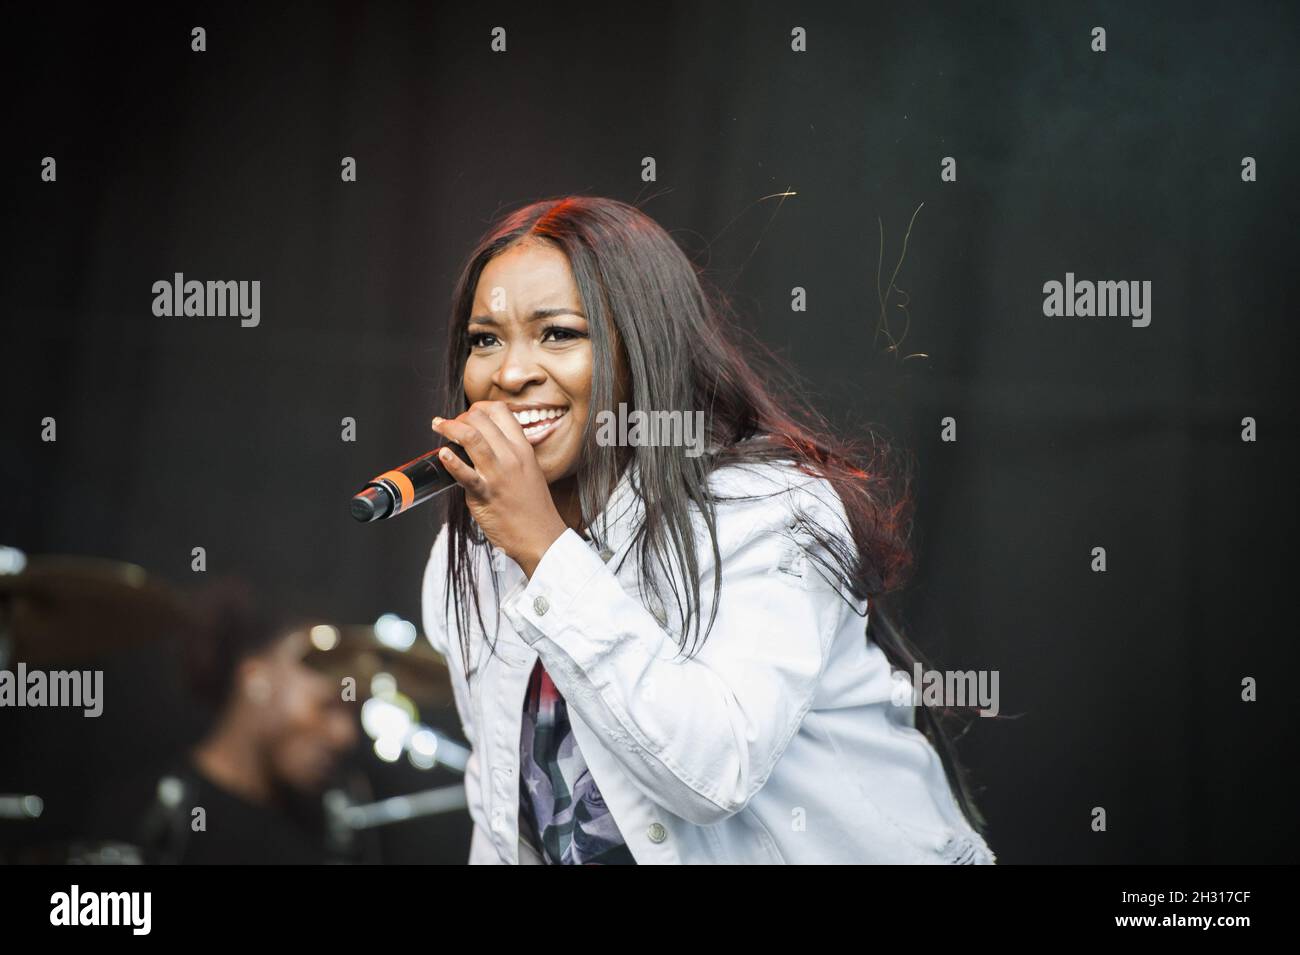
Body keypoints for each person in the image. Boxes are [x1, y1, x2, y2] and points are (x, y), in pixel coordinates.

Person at [420, 195, 995, 864]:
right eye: (484, 339)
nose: (510, 373)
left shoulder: (772, 511)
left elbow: (710, 771)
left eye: (559, 333)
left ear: (644, 349)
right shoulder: (471, 557)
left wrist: (545, 551)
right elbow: (506, 807)